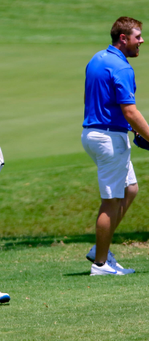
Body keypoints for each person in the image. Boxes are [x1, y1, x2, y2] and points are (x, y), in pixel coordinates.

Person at [82, 17, 148, 276]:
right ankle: (100, 264)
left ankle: (101, 245)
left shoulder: (97, 58)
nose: (141, 41)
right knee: (111, 201)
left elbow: (105, 102)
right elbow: (130, 111)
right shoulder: (122, 67)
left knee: (130, 189)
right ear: (123, 38)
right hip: (109, 139)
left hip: (93, 133)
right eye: (137, 36)